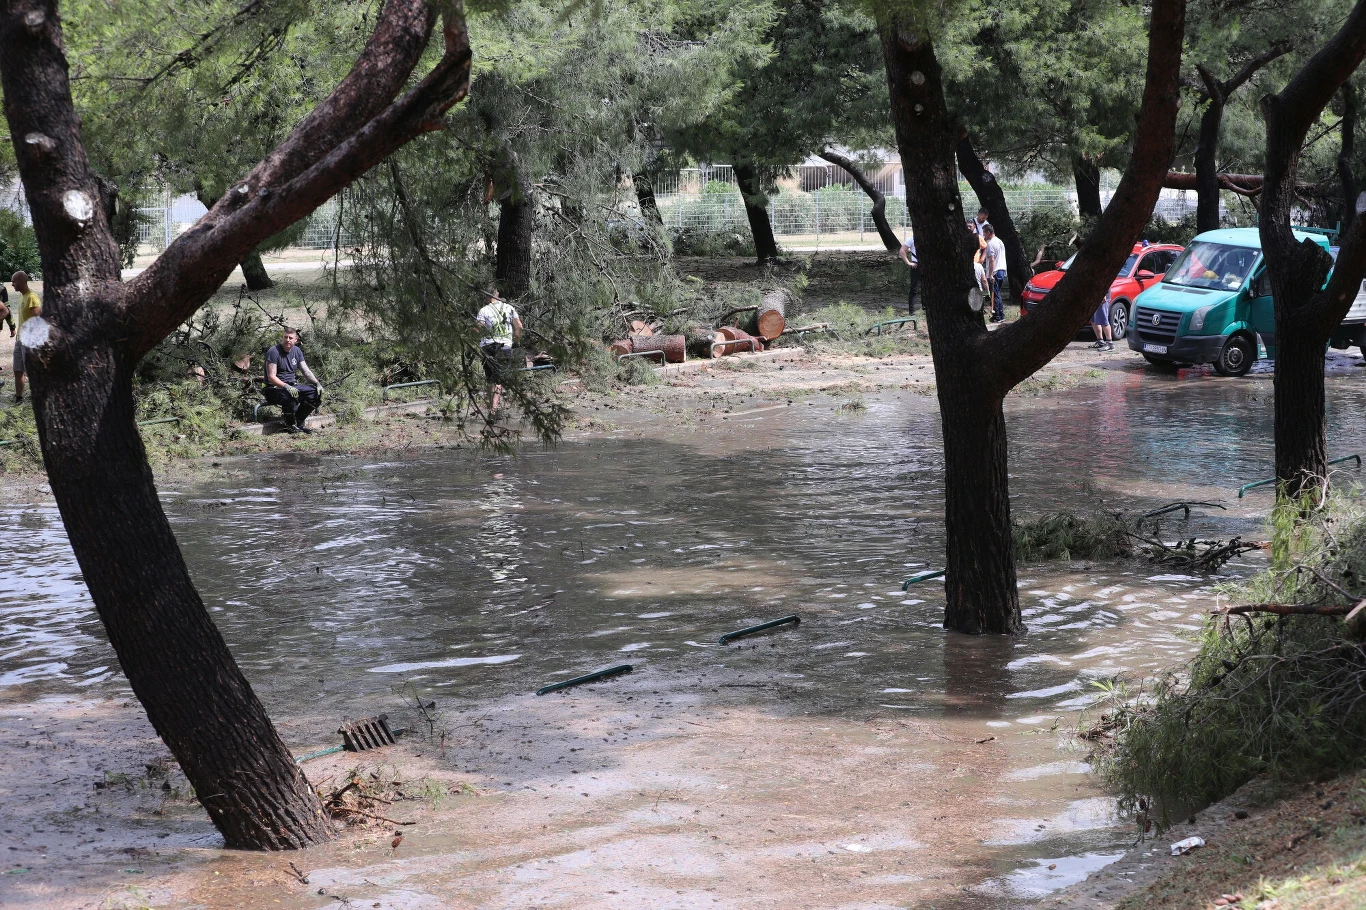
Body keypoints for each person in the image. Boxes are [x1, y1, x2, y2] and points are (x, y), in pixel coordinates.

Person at [263, 327, 323, 434]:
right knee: (290, 395)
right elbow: (271, 377)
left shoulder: (297, 351)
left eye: (290, 338)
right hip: (273, 388)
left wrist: (317, 383)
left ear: (295, 340)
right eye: (285, 337)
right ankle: (289, 424)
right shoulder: (273, 351)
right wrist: (286, 386)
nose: (287, 340)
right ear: (282, 338)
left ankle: (299, 422)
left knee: (315, 394)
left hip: (292, 386)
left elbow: (306, 371)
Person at [476, 291, 523, 412]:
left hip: (487, 347)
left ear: (487, 296)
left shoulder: (483, 310)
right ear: (497, 295)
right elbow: (519, 326)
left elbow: (478, 329)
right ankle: (494, 409)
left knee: (490, 378)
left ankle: (491, 406)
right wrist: (516, 342)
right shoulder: (509, 308)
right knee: (499, 378)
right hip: (505, 346)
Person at [11, 272, 41, 403]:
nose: (12, 284)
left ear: (22, 281)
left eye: (14, 281)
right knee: (18, 369)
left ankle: (39, 398)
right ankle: (19, 397)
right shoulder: (22, 296)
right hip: (19, 340)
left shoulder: (32, 297)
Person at [982, 224, 1007, 322]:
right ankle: (1001, 315)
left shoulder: (991, 244)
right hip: (1002, 270)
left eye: (984, 233)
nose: (984, 235)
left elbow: (992, 260)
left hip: (995, 271)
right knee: (997, 293)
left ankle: (997, 316)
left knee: (995, 294)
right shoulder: (1000, 241)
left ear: (988, 232)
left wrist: (991, 274)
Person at [898, 229, 919, 314]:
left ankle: (925, 308)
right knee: (914, 288)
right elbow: (902, 250)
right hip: (916, 265)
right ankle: (911, 311)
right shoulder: (912, 239)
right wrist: (909, 263)